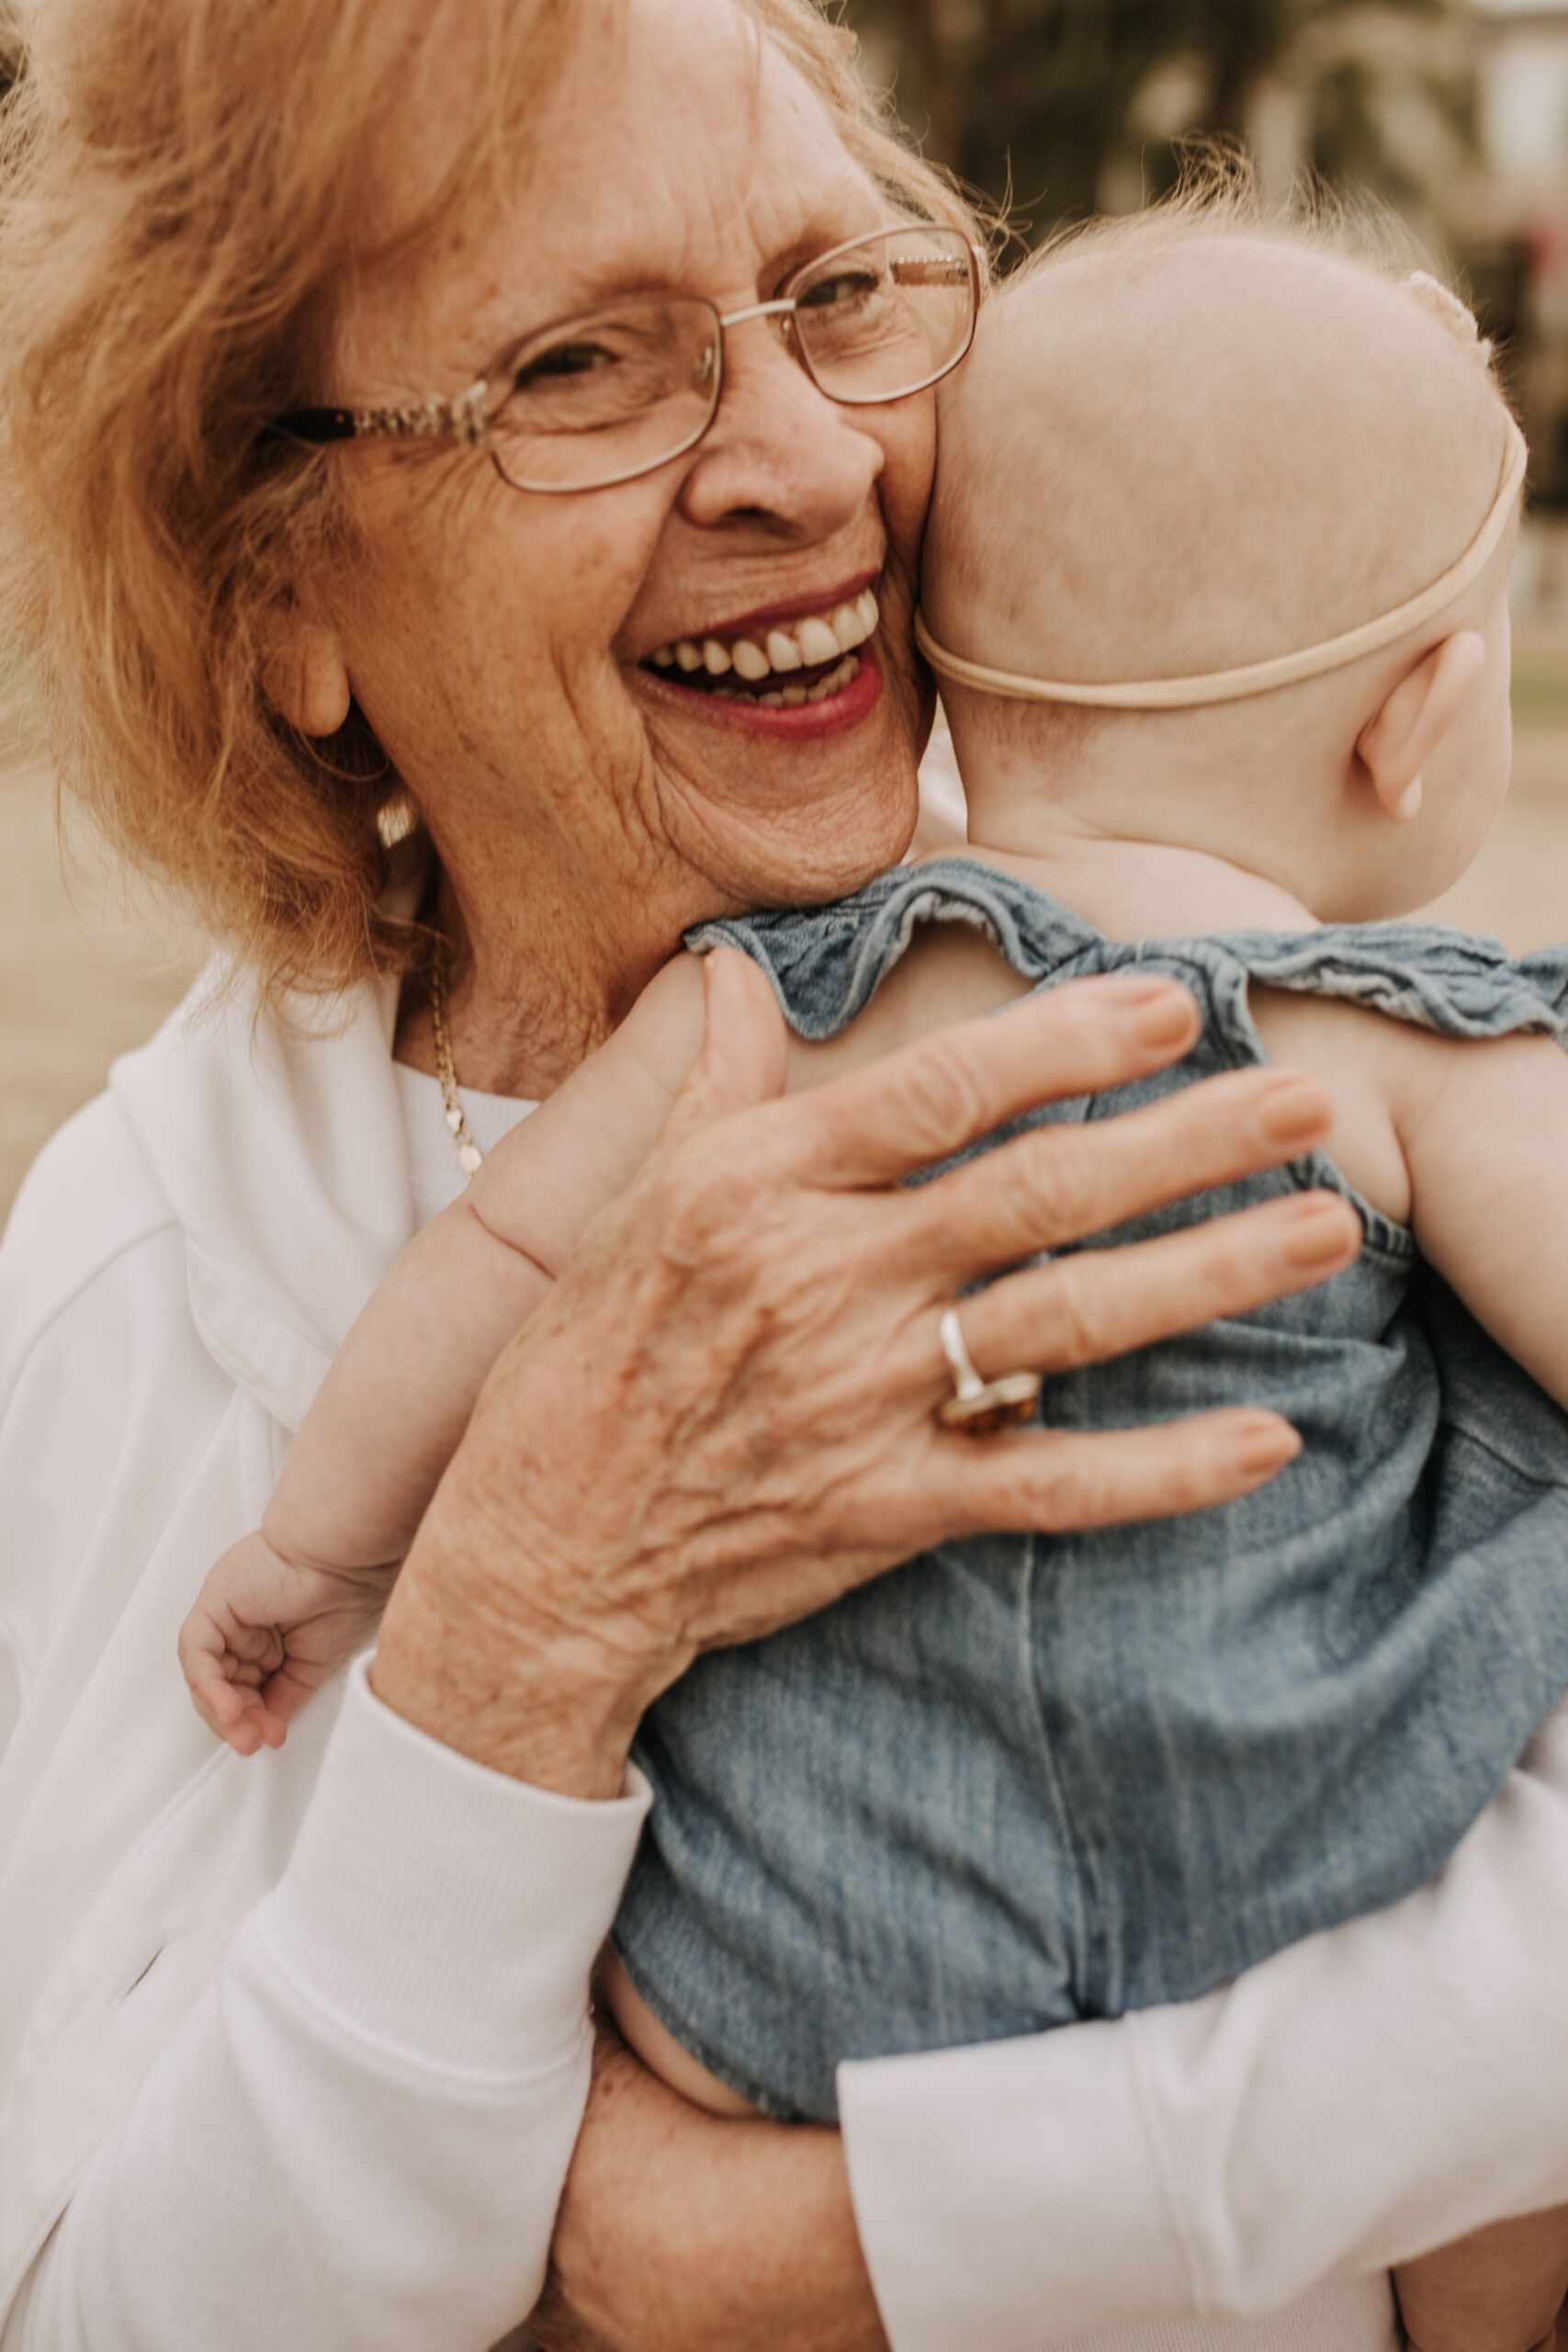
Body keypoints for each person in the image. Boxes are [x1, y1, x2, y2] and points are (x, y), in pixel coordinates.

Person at [0, 0, 1561, 2344]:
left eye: (838, 296)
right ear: (282, 597)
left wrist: (839, 2243)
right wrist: (508, 1624)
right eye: (575, 369)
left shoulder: (1263, 1034)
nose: (804, 457)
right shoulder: (160, 1264)